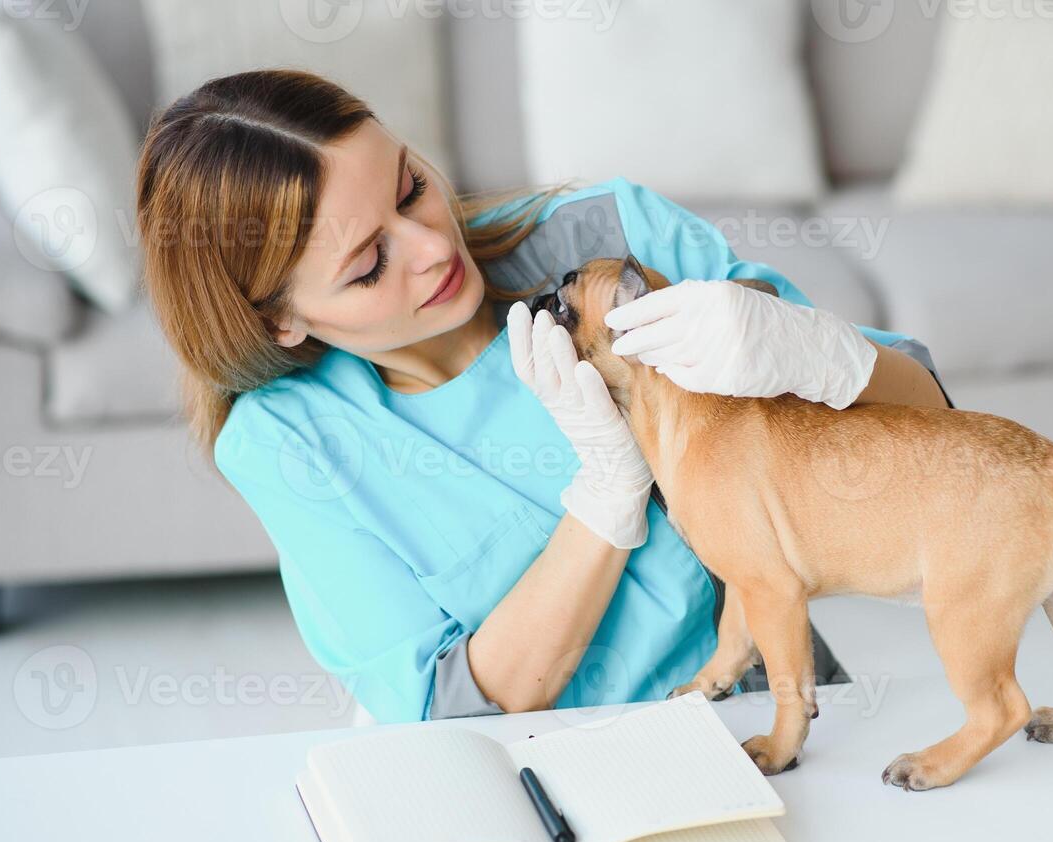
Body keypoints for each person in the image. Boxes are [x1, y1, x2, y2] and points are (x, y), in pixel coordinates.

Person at [136, 69, 950, 724]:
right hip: (552, 772)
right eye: (367, 265)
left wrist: (821, 357)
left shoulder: (609, 240)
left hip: (777, 714)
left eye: (410, 186)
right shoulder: (291, 444)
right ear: (280, 320)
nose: (430, 246)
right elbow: (442, 708)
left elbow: (939, 437)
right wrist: (605, 497)